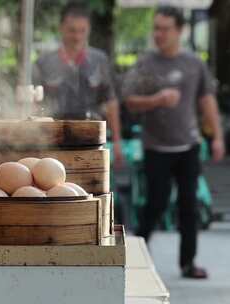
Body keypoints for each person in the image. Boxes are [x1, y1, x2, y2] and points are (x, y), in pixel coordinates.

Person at [123, 6, 225, 279]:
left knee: (189, 207)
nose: (159, 34)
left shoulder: (194, 64)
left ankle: (188, 263)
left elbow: (207, 100)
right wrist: (157, 100)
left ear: (179, 30)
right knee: (155, 203)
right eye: (156, 28)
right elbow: (130, 100)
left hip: (188, 146)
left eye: (165, 28)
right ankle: (134, 255)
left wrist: (217, 137)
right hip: (156, 147)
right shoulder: (146, 64)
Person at [33, 2, 123, 165]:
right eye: (72, 30)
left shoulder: (99, 60)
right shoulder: (44, 62)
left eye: (82, 31)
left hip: (91, 138)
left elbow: (110, 101)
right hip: (54, 140)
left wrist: (117, 141)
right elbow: (34, 103)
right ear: (61, 28)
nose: (77, 36)